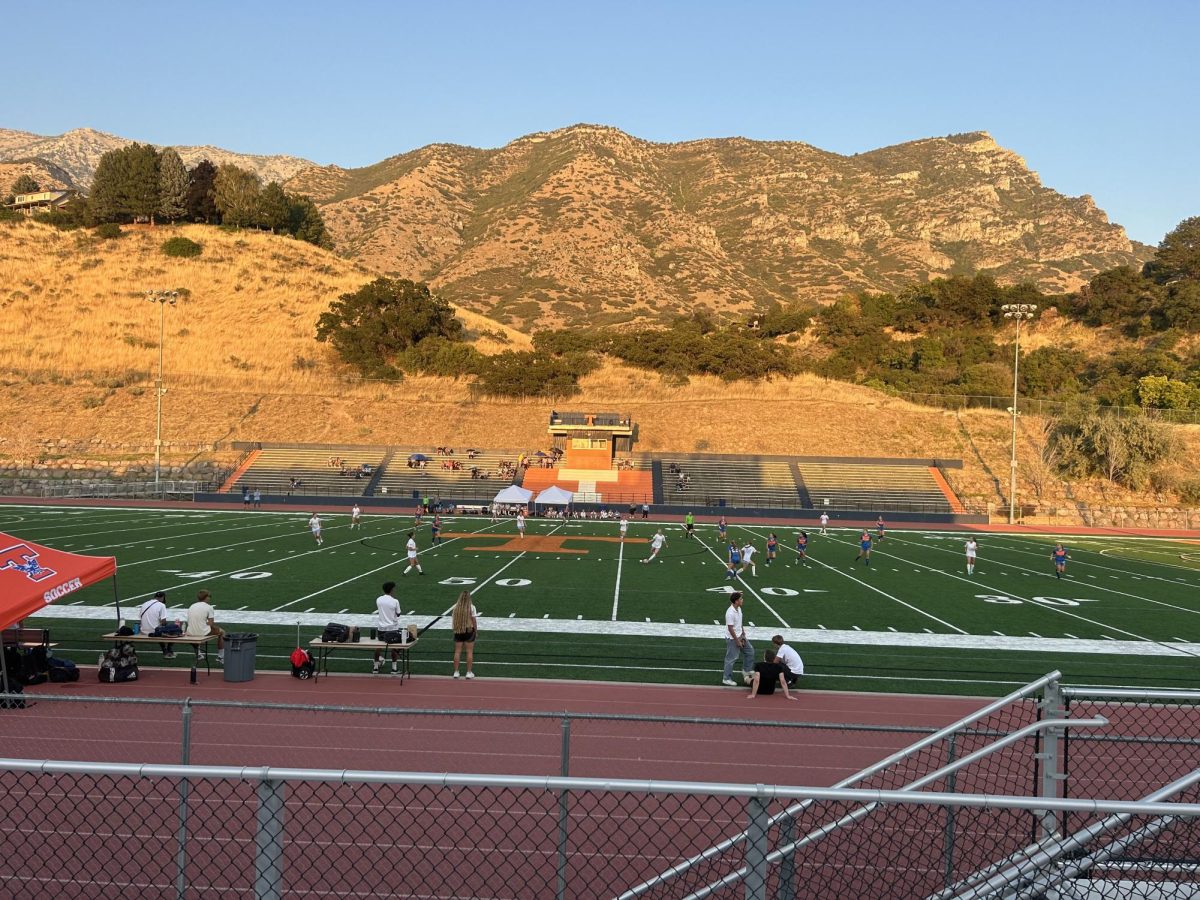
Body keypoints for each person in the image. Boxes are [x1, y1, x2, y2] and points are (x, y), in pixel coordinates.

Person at [722, 592, 754, 687]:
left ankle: (746, 670)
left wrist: (743, 632)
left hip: (741, 635)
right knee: (731, 659)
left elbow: (739, 622)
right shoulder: (730, 613)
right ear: (736, 601)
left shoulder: (738, 608)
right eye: (741, 599)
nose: (742, 600)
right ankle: (726, 678)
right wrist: (737, 641)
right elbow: (730, 628)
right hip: (733, 639)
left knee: (750, 652)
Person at [185, 589, 224, 664]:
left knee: (194, 633)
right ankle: (221, 657)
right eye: (209, 596)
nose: (210, 598)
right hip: (202, 632)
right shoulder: (209, 607)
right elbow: (211, 624)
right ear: (206, 597)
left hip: (190, 632)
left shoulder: (192, 606)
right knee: (222, 632)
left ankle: (199, 654)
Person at [372, 581, 404, 674]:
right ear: (392, 589)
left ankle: (375, 667)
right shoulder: (395, 601)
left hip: (381, 628)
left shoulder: (378, 599)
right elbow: (398, 614)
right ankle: (394, 668)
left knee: (378, 647)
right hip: (392, 628)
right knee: (394, 647)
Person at [451, 589, 478, 679]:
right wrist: (476, 631)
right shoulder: (472, 607)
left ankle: (456, 672)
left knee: (457, 651)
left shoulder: (455, 607)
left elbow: (454, 619)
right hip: (469, 630)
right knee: (469, 652)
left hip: (458, 630)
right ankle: (468, 672)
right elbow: (474, 620)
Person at [138, 590, 173, 658]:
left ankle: (165, 650)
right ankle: (169, 650)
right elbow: (164, 622)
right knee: (174, 629)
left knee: (158, 628)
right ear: (162, 598)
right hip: (154, 632)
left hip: (143, 630)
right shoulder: (162, 605)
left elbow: (140, 618)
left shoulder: (145, 603)